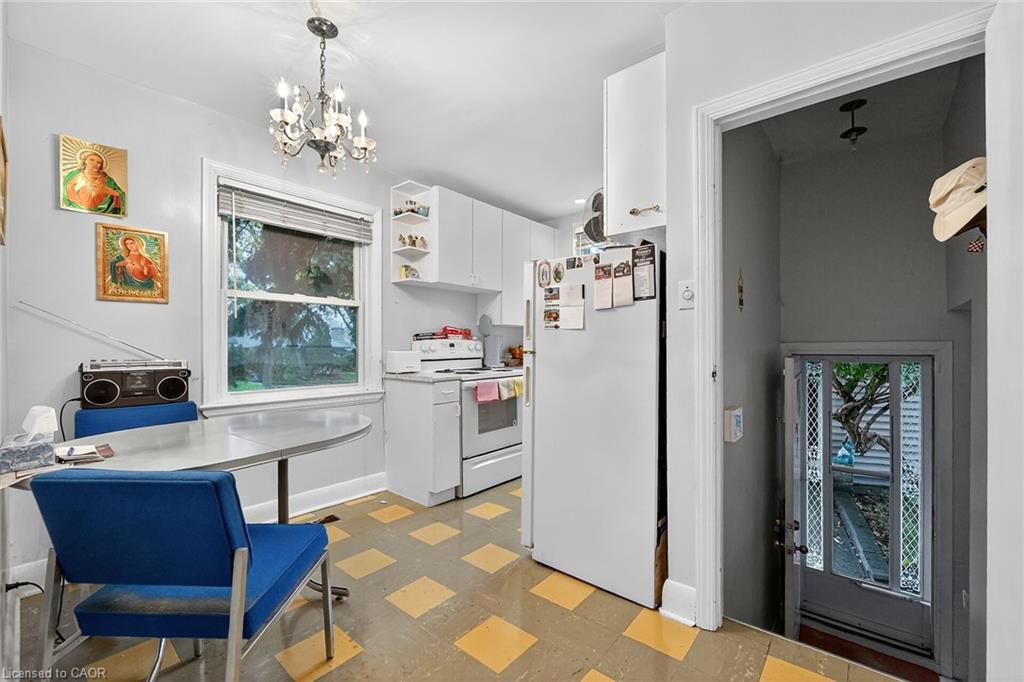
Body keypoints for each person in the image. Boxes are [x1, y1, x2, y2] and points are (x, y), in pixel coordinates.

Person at [62, 149, 125, 214]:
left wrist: (106, 190)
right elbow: (64, 188)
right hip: (74, 208)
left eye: (98, 162)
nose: (94, 164)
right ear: (85, 161)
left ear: (101, 165)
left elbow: (120, 194)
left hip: (103, 210)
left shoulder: (108, 179)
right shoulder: (75, 174)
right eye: (91, 160)